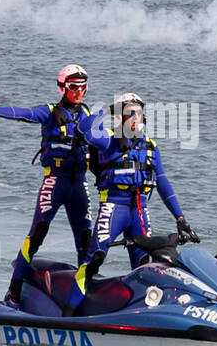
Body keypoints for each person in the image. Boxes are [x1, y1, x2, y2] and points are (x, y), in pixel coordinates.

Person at [63, 92, 198, 315]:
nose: (136, 117)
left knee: (145, 267)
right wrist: (107, 109)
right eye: (129, 112)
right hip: (113, 207)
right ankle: (67, 316)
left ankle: (142, 315)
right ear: (120, 117)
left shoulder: (151, 146)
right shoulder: (107, 140)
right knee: (93, 260)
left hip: (139, 211)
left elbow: (163, 184)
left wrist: (180, 218)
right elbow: (84, 129)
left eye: (139, 112)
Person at [0, 65, 93, 307]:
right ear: (62, 87)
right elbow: (24, 114)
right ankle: (14, 294)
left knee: (85, 241)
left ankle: (84, 297)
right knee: (37, 235)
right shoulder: (49, 112)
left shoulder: (87, 114)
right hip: (55, 182)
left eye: (83, 87)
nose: (79, 92)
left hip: (79, 185)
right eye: (73, 87)